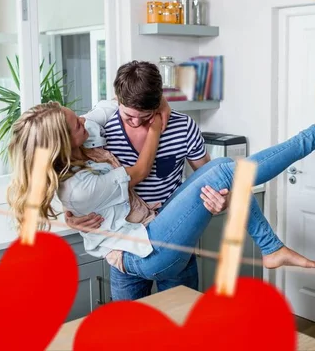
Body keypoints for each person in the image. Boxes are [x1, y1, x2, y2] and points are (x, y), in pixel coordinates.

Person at [6, 100, 315, 290]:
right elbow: (137, 173)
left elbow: (107, 105)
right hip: (141, 254)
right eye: (75, 123)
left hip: (153, 231)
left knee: (221, 170)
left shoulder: (87, 134)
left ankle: (271, 247)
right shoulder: (78, 187)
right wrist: (155, 130)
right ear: (64, 143)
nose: (82, 119)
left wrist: (157, 101)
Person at [65, 61, 230, 300]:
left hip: (175, 243)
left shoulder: (183, 127)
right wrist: (71, 216)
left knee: (182, 322)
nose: (136, 123)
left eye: (145, 117)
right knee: (130, 329)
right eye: (129, 115)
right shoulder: (100, 135)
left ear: (157, 104)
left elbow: (210, 176)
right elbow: (77, 181)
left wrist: (221, 200)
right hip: (126, 246)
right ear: (117, 101)